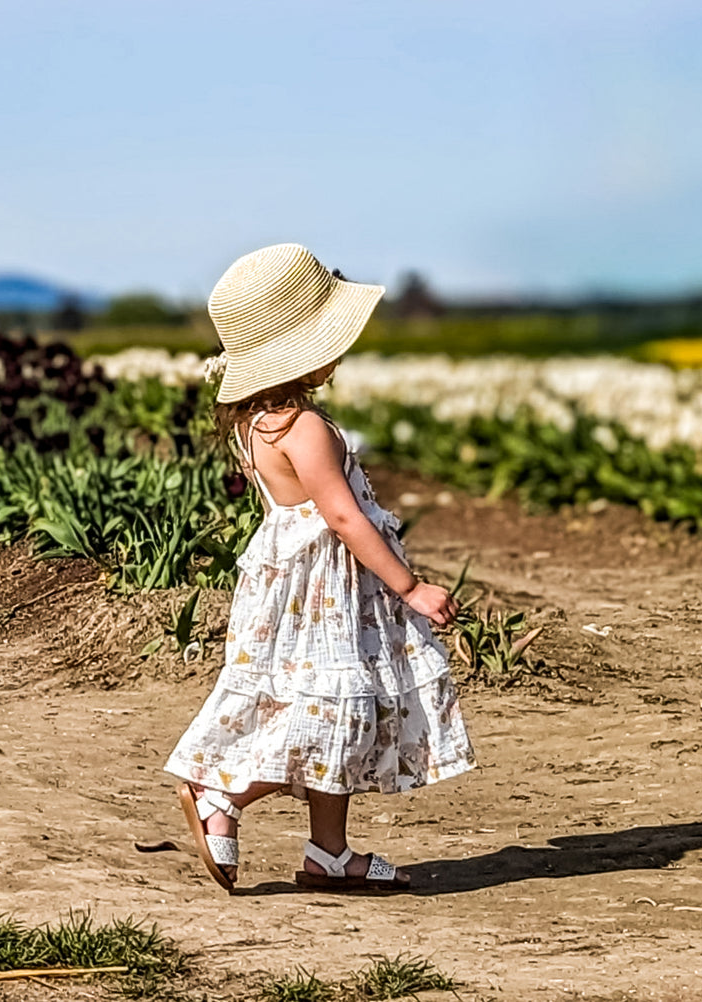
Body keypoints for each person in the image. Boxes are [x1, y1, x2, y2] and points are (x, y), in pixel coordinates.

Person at [163, 243, 476, 893]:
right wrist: (410, 588)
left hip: (291, 590)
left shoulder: (257, 424)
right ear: (302, 349)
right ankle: (224, 797)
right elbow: (343, 517)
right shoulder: (303, 428)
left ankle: (329, 853)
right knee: (326, 716)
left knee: (338, 707)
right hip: (324, 595)